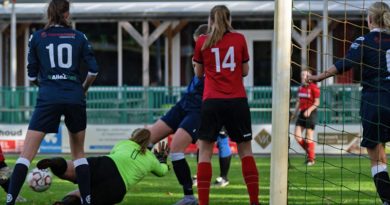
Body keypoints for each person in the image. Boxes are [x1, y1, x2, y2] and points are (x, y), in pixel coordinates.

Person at [6, 0, 99, 204]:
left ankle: (10, 201)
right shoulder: (79, 37)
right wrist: (82, 90)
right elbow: (93, 71)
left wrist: (47, 87)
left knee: (26, 154)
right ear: (66, 14)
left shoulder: (37, 37)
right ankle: (87, 200)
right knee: (78, 154)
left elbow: (31, 75)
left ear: (49, 14)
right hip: (74, 95)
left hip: (48, 96)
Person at [309, 2, 390, 203]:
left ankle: (388, 199)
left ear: (369, 20)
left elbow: (345, 63)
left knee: (377, 157)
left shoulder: (364, 40)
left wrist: (320, 76)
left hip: (375, 101)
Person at [147, 24, 232, 205]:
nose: (196, 47)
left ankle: (189, 196)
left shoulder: (216, 61)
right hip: (183, 103)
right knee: (146, 139)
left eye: (198, 43)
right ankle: (124, 175)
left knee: (177, 148)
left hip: (199, 110)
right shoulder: (200, 58)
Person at [193, 5, 259, 205]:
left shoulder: (203, 42)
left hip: (212, 101)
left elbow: (198, 74)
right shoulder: (239, 39)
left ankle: (204, 202)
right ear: (229, 19)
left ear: (210, 20)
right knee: (245, 151)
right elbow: (245, 71)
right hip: (236, 100)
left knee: (205, 151)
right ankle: (254, 201)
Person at [36, 128, 169, 205]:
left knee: (70, 169)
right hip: (118, 186)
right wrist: (162, 160)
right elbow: (162, 172)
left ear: (133, 137)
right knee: (79, 196)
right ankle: (65, 204)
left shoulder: (124, 143)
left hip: (105, 164)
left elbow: (115, 155)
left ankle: (55, 163)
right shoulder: (151, 159)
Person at [292, 69, 320, 166]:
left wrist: (309, 110)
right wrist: (294, 113)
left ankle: (311, 159)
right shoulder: (300, 88)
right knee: (297, 135)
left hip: (311, 113)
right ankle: (310, 154)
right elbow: (298, 102)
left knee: (308, 135)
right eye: (302, 75)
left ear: (309, 77)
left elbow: (317, 103)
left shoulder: (314, 87)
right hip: (302, 113)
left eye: (305, 75)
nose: (303, 77)